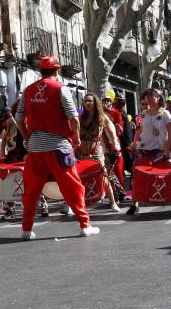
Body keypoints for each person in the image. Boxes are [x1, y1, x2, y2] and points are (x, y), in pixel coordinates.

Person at [15, 56, 99, 239]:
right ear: (57, 71)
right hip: (58, 147)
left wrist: (26, 138)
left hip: (35, 148)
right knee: (73, 187)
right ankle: (84, 225)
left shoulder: (28, 91)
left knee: (31, 191)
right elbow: (73, 118)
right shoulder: (61, 89)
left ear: (40, 71)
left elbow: (19, 118)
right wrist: (75, 138)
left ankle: (26, 229)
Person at [128, 88, 171, 215]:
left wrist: (167, 149)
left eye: (151, 95)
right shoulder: (143, 115)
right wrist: (134, 144)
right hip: (143, 149)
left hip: (160, 150)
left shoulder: (165, 114)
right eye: (146, 96)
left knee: (169, 175)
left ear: (158, 98)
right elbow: (139, 131)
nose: (148, 98)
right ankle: (134, 204)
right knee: (136, 176)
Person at [77, 93, 123, 212]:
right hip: (82, 152)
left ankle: (113, 203)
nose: (87, 103)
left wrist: (115, 147)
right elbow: (73, 131)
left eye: (90, 101)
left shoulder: (101, 117)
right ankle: (74, 205)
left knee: (104, 176)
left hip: (96, 152)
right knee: (77, 178)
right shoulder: (81, 117)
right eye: (85, 101)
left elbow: (112, 131)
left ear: (95, 102)